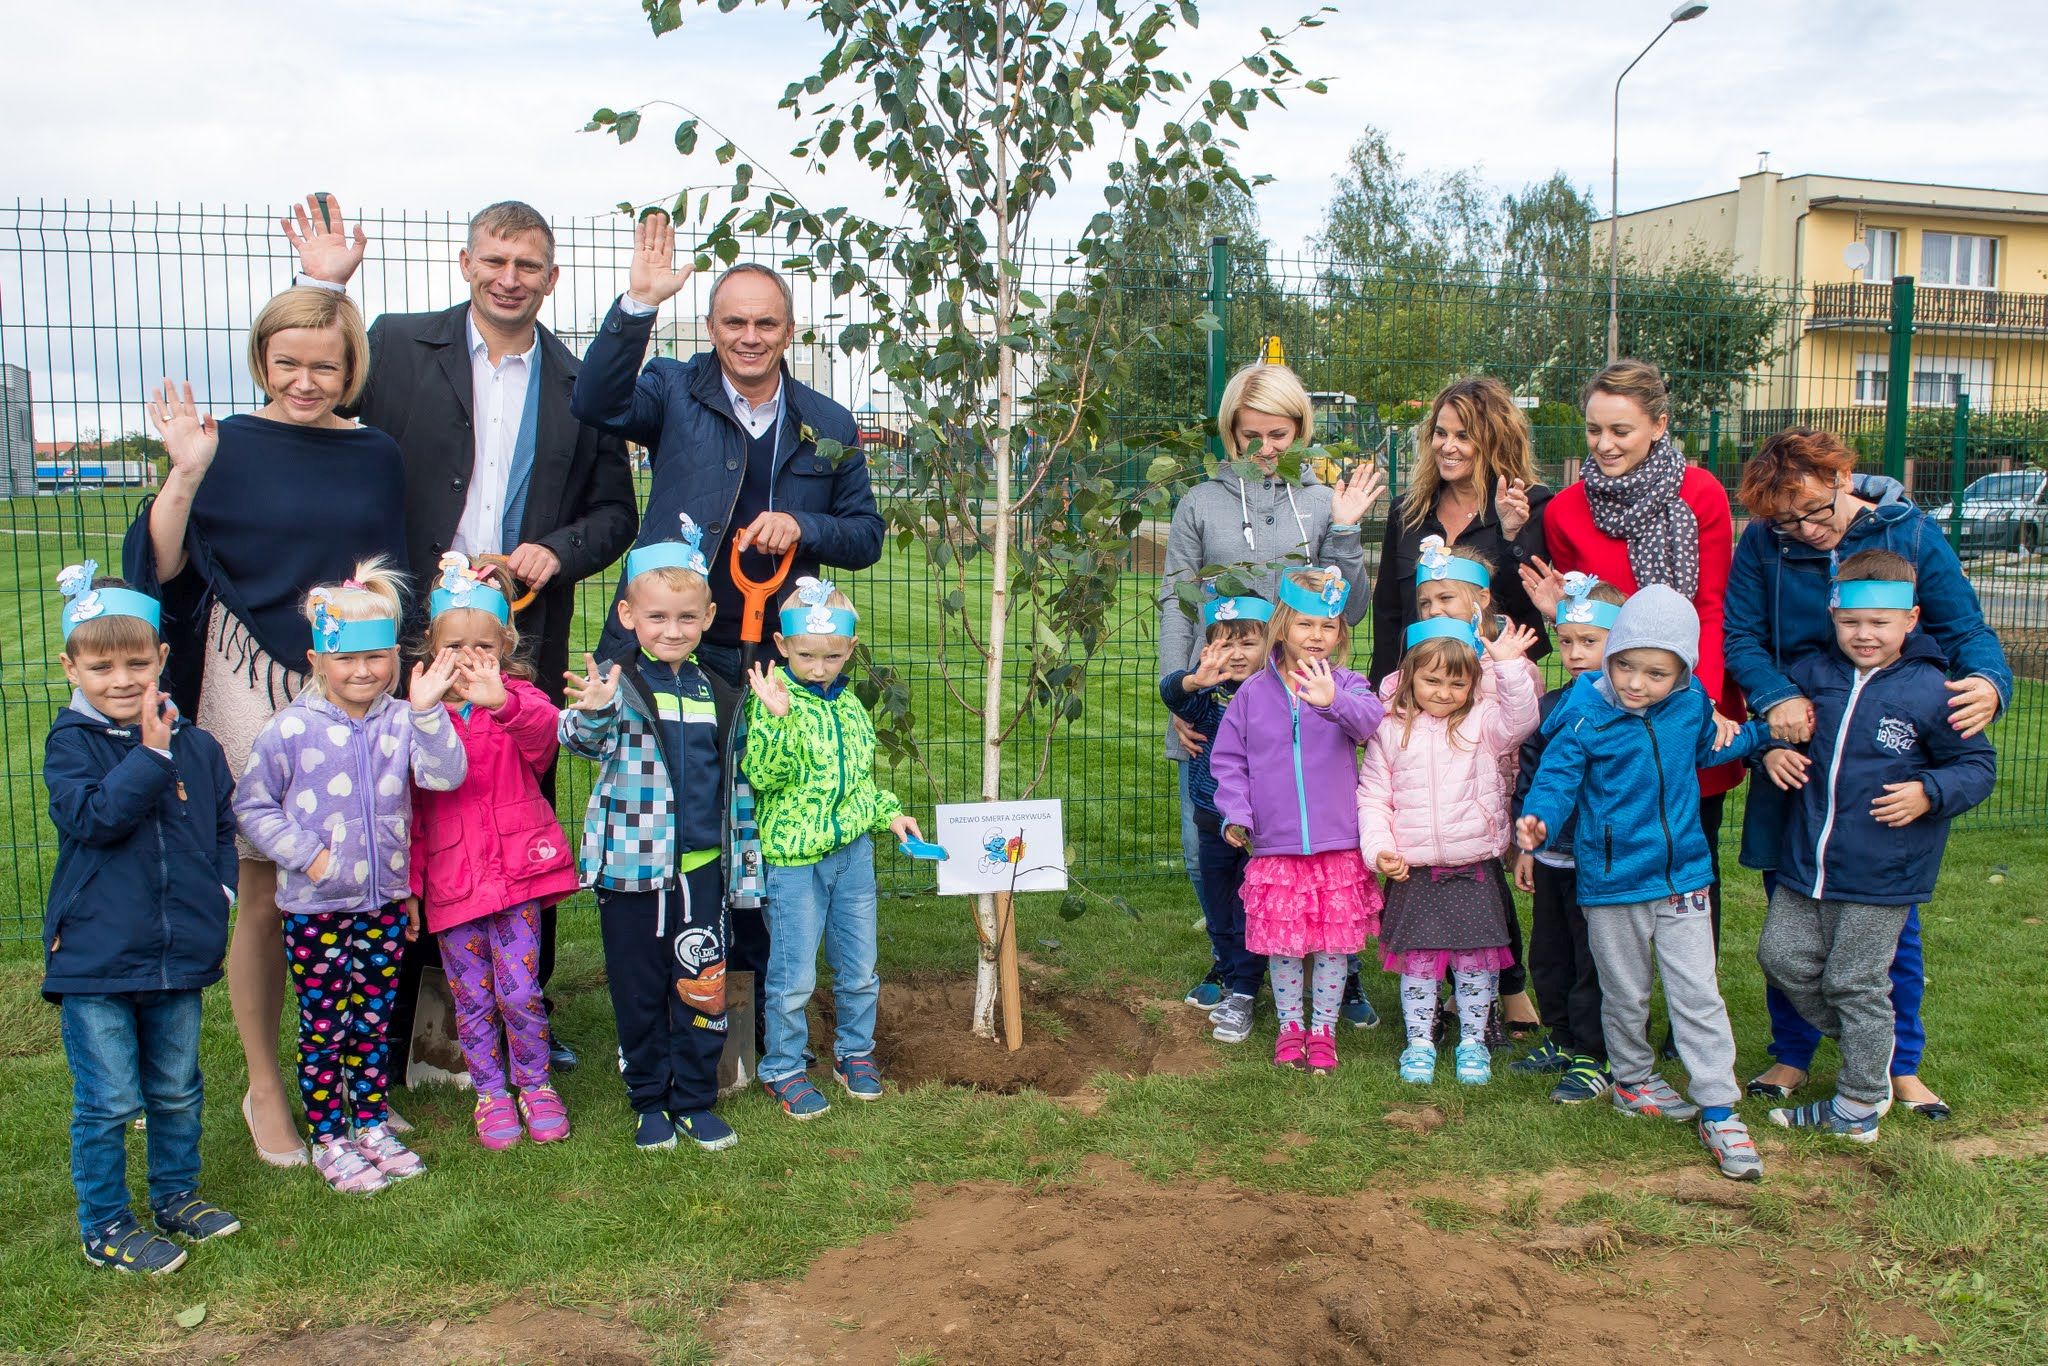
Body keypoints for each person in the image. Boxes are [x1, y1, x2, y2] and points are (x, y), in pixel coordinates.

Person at [286, 193, 641, 1077]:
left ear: (551, 278)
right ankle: (409, 1021)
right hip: (404, 633)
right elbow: (310, 383)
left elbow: (615, 515)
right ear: (467, 263)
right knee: (406, 813)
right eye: (494, 260)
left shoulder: (582, 383)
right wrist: (321, 287)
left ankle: (525, 1008)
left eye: (527, 265)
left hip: (519, 645)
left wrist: (556, 552)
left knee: (518, 816)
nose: (509, 278)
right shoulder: (402, 344)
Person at [123, 290, 408, 1170]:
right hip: (251, 678)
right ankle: (265, 1086)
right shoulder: (224, 444)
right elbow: (161, 563)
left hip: (352, 684)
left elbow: (385, 573)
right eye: (287, 363)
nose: (305, 380)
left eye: (325, 364)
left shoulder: (377, 453)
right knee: (261, 887)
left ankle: (355, 1085)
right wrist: (184, 472)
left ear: (351, 366)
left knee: (361, 881)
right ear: (261, 361)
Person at [1726, 428, 2012, 1119]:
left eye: (1815, 511)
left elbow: (1965, 627)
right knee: (1791, 907)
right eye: (1787, 520)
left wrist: (1993, 683)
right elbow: (1741, 636)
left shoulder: (1909, 534)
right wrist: (1774, 701)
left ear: (1843, 479)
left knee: (1888, 925)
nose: (1805, 530)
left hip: (1883, 757)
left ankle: (1897, 1063)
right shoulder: (1766, 544)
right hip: (1798, 747)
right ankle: (1794, 1054)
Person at [1517, 586, 1772, 1183]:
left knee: (1698, 993)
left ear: (1683, 670)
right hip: (1610, 884)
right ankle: (1632, 1080)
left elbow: (1708, 750)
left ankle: (1719, 1106)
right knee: (1625, 993)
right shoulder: (1584, 712)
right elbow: (1556, 776)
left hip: (1683, 876)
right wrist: (1540, 817)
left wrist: (1765, 738)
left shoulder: (1689, 706)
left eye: (1656, 673)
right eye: (1625, 664)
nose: (1636, 683)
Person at [231, 561, 468, 1195]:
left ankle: (369, 1123)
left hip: (385, 904)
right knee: (325, 1023)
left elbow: (445, 776)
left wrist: (426, 713)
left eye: (377, 657)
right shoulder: (289, 731)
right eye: (346, 659)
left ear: (395, 655)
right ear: (316, 659)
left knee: (373, 1019)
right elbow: (251, 806)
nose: (363, 672)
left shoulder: (401, 721)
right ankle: (329, 1132)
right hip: (316, 908)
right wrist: (306, 855)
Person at [571, 211, 884, 686]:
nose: (750, 337)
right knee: (671, 763)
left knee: (772, 763)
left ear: (789, 329)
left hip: (783, 651)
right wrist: (639, 303)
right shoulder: (672, 389)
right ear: (711, 327)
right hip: (673, 642)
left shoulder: (829, 423)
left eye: (766, 323)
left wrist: (802, 526)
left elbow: (866, 536)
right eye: (734, 322)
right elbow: (596, 404)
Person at [1157, 362, 1382, 1018]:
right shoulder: (1199, 503)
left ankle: (1340, 974)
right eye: (1250, 434)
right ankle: (1238, 968)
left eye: (1279, 433)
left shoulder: (1320, 503)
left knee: (1318, 848)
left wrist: (1342, 532)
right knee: (1211, 852)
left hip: (1300, 711)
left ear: (1301, 428)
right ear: (1231, 431)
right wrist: (1177, 697)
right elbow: (1176, 602)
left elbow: (1354, 607)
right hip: (1217, 705)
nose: (1265, 448)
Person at [1534, 358, 1744, 1044]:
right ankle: (1611, 1023)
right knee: (1608, 858)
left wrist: (1702, 704)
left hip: (1684, 698)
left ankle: (1691, 1021)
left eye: (1620, 429)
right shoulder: (1567, 511)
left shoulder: (1701, 496)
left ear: (1658, 425)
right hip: (1609, 705)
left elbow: (1707, 608)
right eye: (1594, 429)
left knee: (1689, 860)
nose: (1604, 443)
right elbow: (1585, 618)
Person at [1754, 551, 1995, 1142]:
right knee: (1780, 958)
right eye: (1850, 622)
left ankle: (1859, 1104)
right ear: (1833, 617)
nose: (1864, 634)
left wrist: (1929, 791)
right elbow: (1768, 731)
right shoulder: (1811, 676)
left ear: (1911, 620)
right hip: (1804, 864)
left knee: (1855, 982)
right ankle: (1872, 1049)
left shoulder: (1935, 690)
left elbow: (1978, 766)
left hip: (1882, 873)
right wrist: (1770, 751)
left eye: (1879, 623)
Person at [45, 568, 242, 1274]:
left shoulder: (199, 747)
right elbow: (94, 818)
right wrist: (149, 755)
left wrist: (220, 892)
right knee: (108, 1100)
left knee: (176, 1087)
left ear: (161, 657)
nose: (121, 679)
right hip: (96, 958)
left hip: (177, 951)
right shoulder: (71, 745)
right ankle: (103, 1223)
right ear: (72, 667)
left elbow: (221, 825)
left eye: (136, 661)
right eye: (101, 666)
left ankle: (175, 1195)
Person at [558, 519, 741, 1154]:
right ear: (628, 614)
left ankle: (693, 1097)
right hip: (632, 873)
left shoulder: (719, 689)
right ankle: (649, 1100)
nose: (672, 630)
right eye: (657, 616)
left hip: (701, 872)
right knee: (638, 990)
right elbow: (580, 742)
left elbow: (736, 775)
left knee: (702, 985)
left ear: (708, 616)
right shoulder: (618, 686)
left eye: (687, 618)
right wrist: (594, 711)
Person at [407, 555, 580, 1150]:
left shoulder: (517, 700)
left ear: (505, 643)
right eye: (454, 645)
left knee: (521, 990)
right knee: (472, 997)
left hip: (517, 876)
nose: (469, 657)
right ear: (432, 645)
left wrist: (500, 700)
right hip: (454, 882)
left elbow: (545, 740)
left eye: (484, 644)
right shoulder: (417, 712)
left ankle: (535, 1083)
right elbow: (408, 810)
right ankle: (490, 1091)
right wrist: (411, 885)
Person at [742, 578, 924, 1119]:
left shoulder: (850, 707)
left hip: (853, 858)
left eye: (832, 656)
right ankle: (784, 1066)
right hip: (796, 864)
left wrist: (889, 813)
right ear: (782, 646)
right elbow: (764, 775)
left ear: (850, 648)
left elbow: (858, 781)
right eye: (806, 656)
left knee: (860, 967)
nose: (819, 668)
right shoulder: (776, 702)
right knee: (794, 974)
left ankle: (854, 1053)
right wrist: (774, 722)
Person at [1209, 568, 1386, 1075]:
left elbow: (1370, 723)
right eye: (1306, 624)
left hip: (1336, 842)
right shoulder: (1251, 695)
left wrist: (1335, 704)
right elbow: (1229, 762)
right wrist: (1238, 814)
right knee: (1285, 945)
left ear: (1340, 636)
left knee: (1332, 944)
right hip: (1275, 842)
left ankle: (1324, 1029)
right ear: (1283, 627)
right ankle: (1291, 1027)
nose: (1316, 636)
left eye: (1328, 627)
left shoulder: (1348, 684)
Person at [1360, 618, 1541, 1088]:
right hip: (1414, 871)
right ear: (1409, 678)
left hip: (1472, 866)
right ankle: (1419, 1041)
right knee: (1418, 963)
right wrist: (1379, 849)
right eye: (1432, 680)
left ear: (1472, 684)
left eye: (1457, 682)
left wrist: (1509, 666)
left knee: (1476, 963)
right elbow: (1374, 797)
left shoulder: (1484, 723)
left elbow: (1523, 719)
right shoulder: (1389, 731)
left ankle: (1473, 1042)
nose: (1443, 692)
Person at [1508, 574, 1629, 1103]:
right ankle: (1560, 1036)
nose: (1575, 653)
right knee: (1550, 955)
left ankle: (1596, 1053)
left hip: (1602, 864)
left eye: (1590, 642)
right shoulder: (1554, 703)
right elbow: (1530, 777)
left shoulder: (1632, 708)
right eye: (1567, 641)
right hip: (1553, 857)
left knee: (1593, 960)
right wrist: (1527, 843)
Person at [1368, 374, 1551, 686]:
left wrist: (1510, 538)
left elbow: (1525, 613)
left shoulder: (1532, 506)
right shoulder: (1407, 511)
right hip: (1418, 688)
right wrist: (1379, 699)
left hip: (1493, 693)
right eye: (1441, 433)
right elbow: (1388, 616)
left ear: (1494, 440)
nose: (1448, 447)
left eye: (1464, 436)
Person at [1158, 592, 1272, 1044]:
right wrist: (1192, 682)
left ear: (1270, 644)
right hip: (1211, 820)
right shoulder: (1208, 698)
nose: (1235, 654)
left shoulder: (1279, 696)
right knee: (1221, 909)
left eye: (1246, 643)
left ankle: (1245, 987)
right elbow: (1171, 693)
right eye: (1224, 644)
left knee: (1252, 910)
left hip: (1260, 828)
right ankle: (1228, 973)